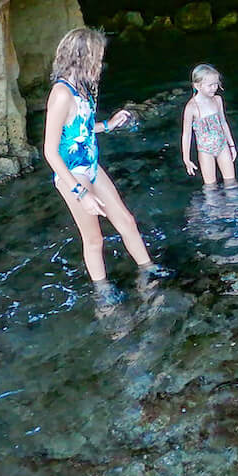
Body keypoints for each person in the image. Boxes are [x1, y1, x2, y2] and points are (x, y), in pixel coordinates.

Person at [42, 27, 161, 291]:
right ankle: (103, 294)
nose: (100, 63)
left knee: (126, 221)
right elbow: (50, 151)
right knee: (94, 239)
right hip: (72, 174)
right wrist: (80, 192)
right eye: (97, 57)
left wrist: (108, 124)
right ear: (82, 57)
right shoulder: (61, 94)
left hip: (91, 166)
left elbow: (79, 130)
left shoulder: (82, 89)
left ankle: (149, 271)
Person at [181, 63, 238, 186]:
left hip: (223, 146)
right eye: (210, 85)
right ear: (197, 86)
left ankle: (233, 205)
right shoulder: (191, 107)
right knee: (210, 186)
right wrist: (186, 158)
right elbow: (187, 134)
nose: (214, 88)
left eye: (216, 84)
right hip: (205, 151)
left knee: (231, 183)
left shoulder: (217, 100)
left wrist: (232, 145)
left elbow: (223, 123)